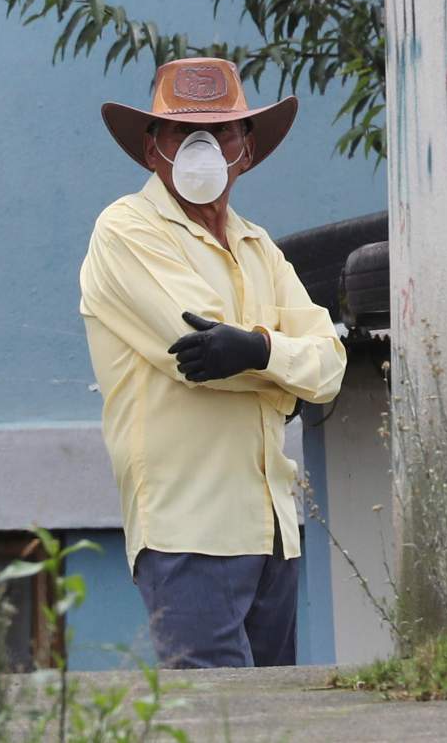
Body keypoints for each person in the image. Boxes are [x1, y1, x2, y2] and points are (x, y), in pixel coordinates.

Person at [78, 58, 347, 669]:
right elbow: (193, 351)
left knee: (272, 726)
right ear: (153, 149)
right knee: (213, 723)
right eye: (183, 132)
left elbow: (330, 365)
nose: (204, 145)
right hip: (189, 530)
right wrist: (284, 373)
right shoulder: (124, 231)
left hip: (273, 529)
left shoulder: (260, 246)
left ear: (245, 150)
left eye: (222, 130)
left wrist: (254, 351)